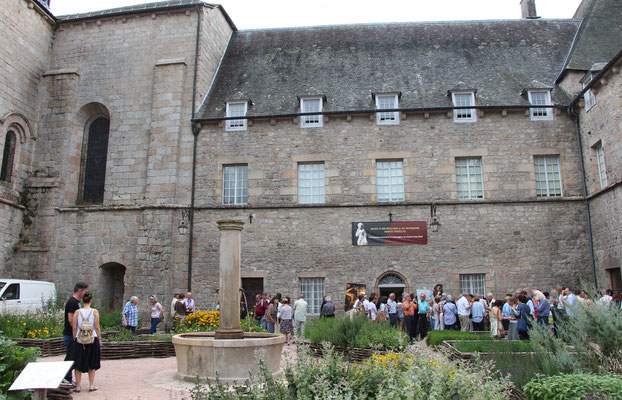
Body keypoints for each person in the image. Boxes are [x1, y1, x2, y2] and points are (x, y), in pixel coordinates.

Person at [72, 290, 101, 393]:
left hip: (79, 339)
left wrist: (74, 337)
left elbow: (74, 327)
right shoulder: (95, 312)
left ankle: (78, 386)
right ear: (91, 300)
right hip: (92, 338)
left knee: (78, 363)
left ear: (83, 300)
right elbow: (97, 327)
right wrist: (99, 339)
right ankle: (91, 385)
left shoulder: (77, 312)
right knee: (91, 362)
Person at [63, 282, 88, 387]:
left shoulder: (76, 302)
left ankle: (68, 378)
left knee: (71, 357)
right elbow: (70, 319)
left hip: (72, 334)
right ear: (80, 291)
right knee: (70, 357)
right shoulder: (72, 302)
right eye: (85, 291)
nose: (85, 294)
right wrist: (76, 333)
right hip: (70, 334)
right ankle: (65, 378)